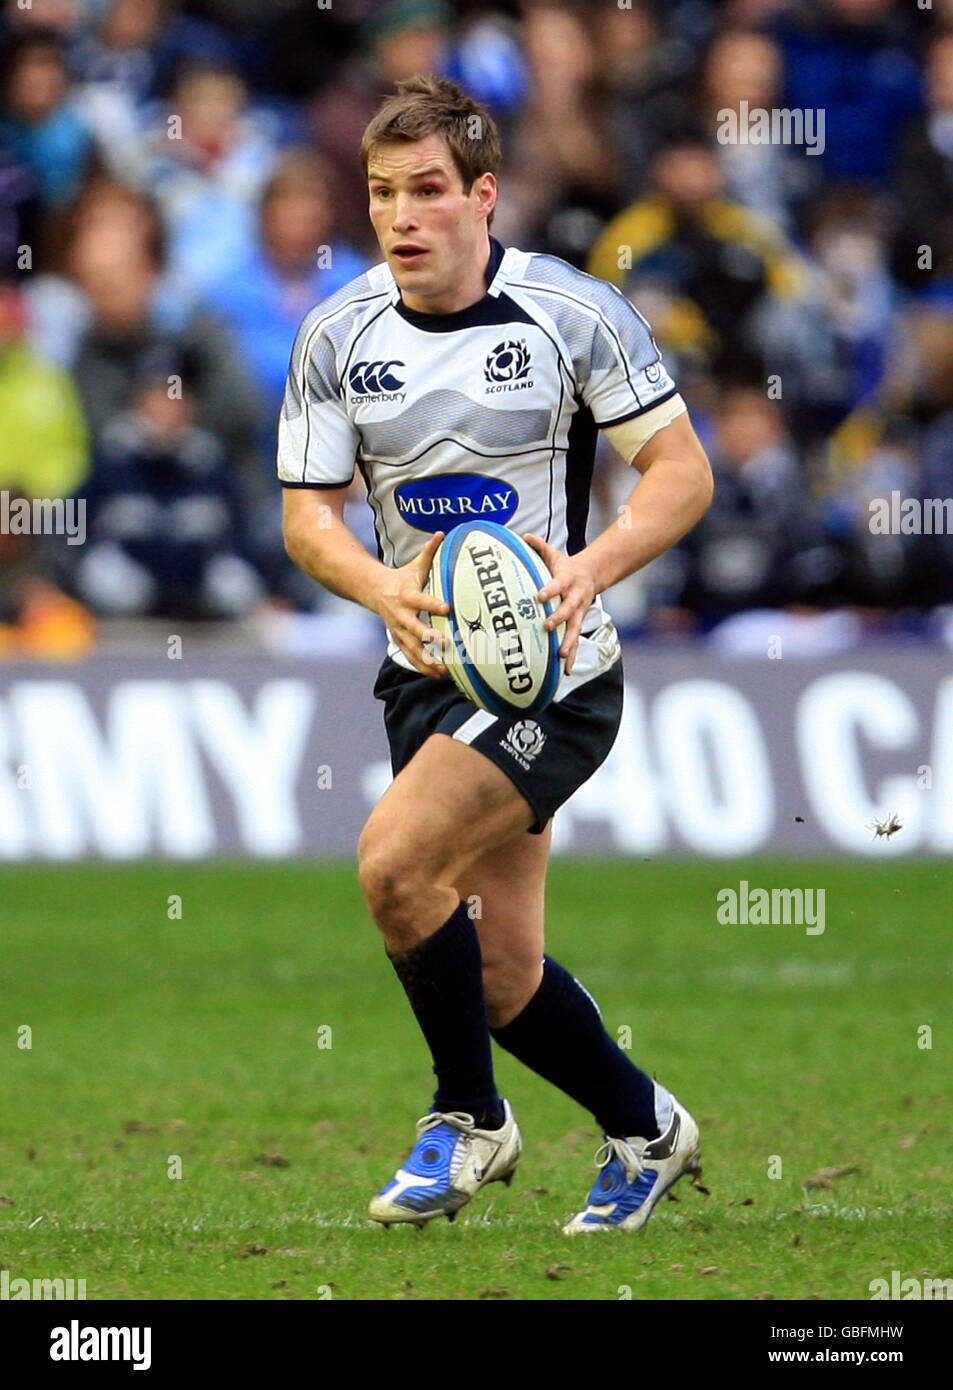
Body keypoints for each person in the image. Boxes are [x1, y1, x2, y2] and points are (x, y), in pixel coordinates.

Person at [279, 75, 713, 1234]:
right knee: (505, 974)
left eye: (427, 191)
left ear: (483, 195)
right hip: (424, 669)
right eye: (380, 193)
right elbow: (306, 514)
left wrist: (590, 566)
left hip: (552, 672)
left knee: (391, 867)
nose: (401, 216)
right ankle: (646, 1127)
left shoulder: (571, 314)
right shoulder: (335, 334)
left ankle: (467, 1119)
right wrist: (379, 585)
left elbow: (680, 472)